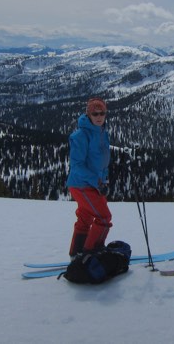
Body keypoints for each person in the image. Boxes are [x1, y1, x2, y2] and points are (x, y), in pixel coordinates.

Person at [66, 97, 111, 258]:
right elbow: (77, 165)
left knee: (85, 217)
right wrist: (97, 182)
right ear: (88, 115)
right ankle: (91, 252)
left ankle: (77, 253)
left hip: (93, 184)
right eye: (95, 114)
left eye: (102, 113)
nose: (99, 117)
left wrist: (103, 180)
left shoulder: (102, 132)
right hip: (82, 184)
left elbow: (101, 162)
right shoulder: (80, 136)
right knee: (104, 218)